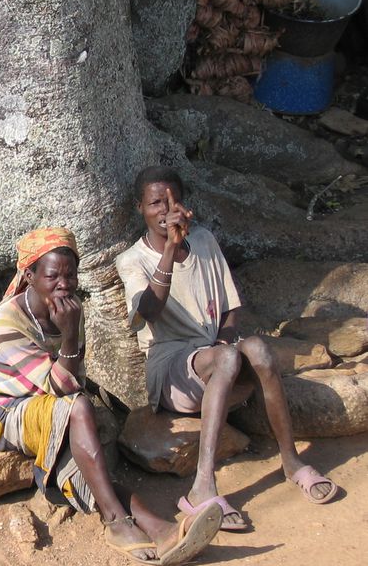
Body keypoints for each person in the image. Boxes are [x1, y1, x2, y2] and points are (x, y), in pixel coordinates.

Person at [0, 228, 223, 566]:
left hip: (47, 408)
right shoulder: (7, 321)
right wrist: (69, 336)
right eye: (52, 275)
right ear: (29, 276)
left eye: (70, 274)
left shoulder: (71, 310)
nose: (64, 283)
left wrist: (71, 335)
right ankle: (116, 523)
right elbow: (63, 389)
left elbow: (74, 381)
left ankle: (163, 530)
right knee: (79, 409)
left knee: (94, 472)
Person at [115, 166, 339, 531]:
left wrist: (224, 340)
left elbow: (232, 308)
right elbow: (149, 311)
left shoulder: (203, 240)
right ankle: (202, 486)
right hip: (172, 371)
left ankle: (291, 461)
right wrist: (170, 249)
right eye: (156, 202)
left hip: (219, 360)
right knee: (229, 356)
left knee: (259, 351)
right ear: (139, 206)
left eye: (173, 200)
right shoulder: (132, 260)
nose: (165, 209)